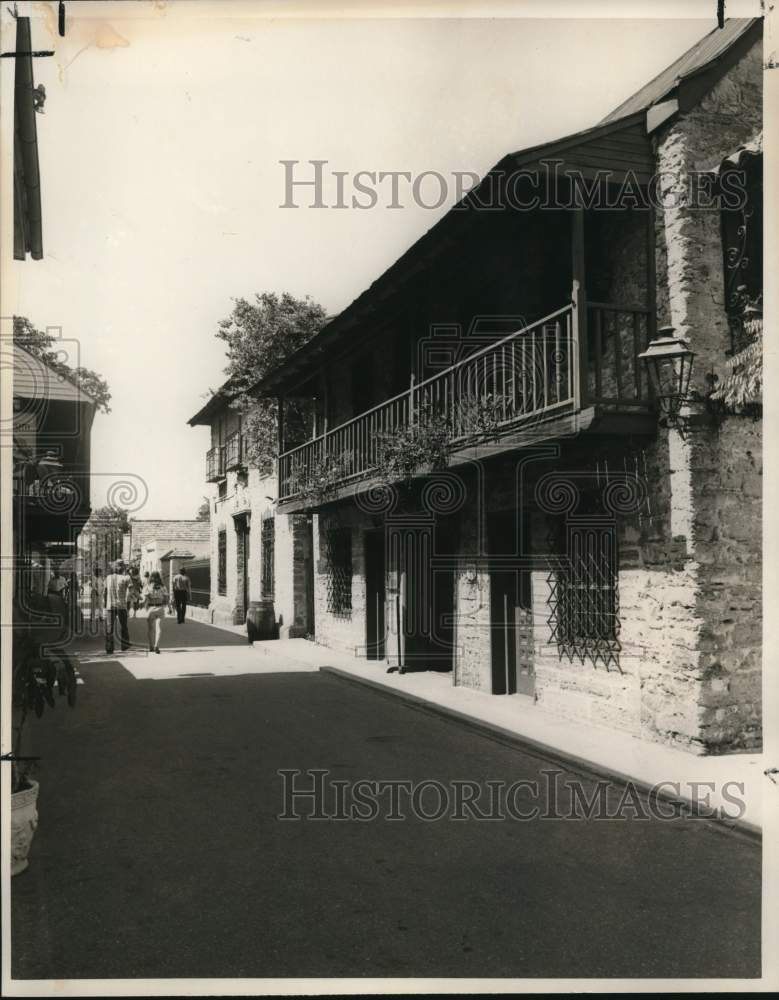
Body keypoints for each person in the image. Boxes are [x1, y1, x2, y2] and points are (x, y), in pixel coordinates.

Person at [104, 560, 132, 654]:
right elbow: (131, 591)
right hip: (121, 605)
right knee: (124, 626)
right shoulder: (126, 578)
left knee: (109, 627)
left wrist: (105, 604)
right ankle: (125, 645)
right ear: (123, 568)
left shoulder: (108, 578)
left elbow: (105, 591)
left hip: (110, 606)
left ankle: (109, 647)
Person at [143, 571, 169, 654]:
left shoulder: (147, 587)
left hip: (151, 608)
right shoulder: (163, 587)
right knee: (159, 628)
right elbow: (166, 599)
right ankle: (156, 645)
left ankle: (151, 646)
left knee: (150, 629)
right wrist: (168, 607)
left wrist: (144, 606)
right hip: (160, 607)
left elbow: (146, 599)